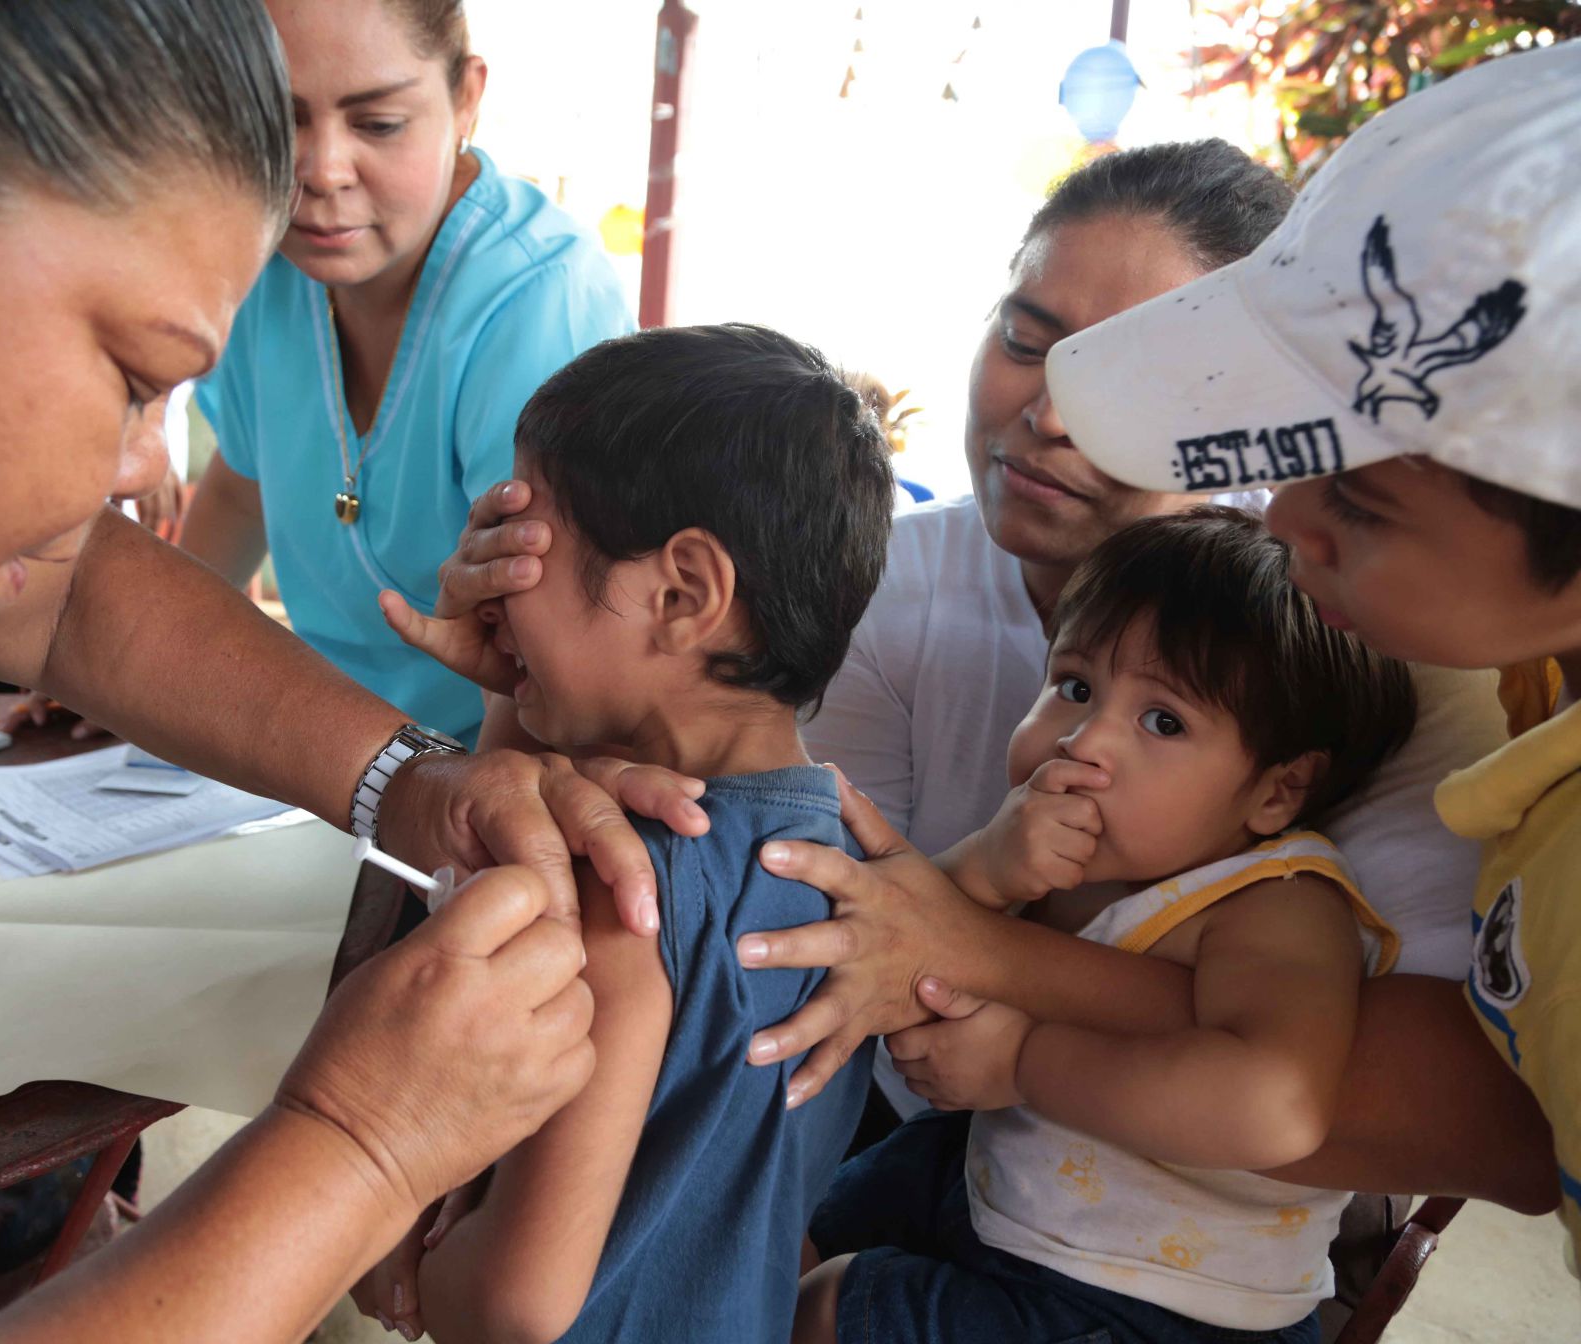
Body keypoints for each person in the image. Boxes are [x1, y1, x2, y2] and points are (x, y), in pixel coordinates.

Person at [0, 4, 705, 1339]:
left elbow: (54, 585)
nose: (132, 470)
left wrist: (408, 780)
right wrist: (359, 1146)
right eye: (128, 378)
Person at [432, 139, 1555, 1221]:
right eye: (1030, 335)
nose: (1054, 411)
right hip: (919, 1159)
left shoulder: (1357, 636)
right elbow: (813, 940)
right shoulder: (883, 585)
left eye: (1143, 377)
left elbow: (1492, 1118)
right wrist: (524, 687)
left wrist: (985, 967)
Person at [1033, 36, 1581, 1262]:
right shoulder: (1529, 677)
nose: (1284, 520)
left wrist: (1002, 1009)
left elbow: (1498, 1126)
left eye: (1367, 510)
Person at [365, 324, 894, 1344]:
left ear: (683, 594)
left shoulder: (624, 885)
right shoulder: (851, 871)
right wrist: (511, 687)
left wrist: (409, 1240)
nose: (487, 579)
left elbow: (522, 1303)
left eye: (524, 547)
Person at [797, 508, 1416, 1343]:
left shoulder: (1278, 899)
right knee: (794, 1233)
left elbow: (1275, 1105)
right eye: (1076, 686)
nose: (1084, 741)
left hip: (1159, 1306)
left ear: (1277, 791)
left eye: (1163, 722)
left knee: (833, 1308)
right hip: (996, 1179)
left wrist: (1022, 1059)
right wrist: (981, 869)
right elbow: (895, 944)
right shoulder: (1055, 850)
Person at [178, 0, 634, 746]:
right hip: (325, 749)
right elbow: (241, 485)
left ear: (466, 100)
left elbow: (546, 635)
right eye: (276, 118)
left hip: (498, 756)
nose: (322, 170)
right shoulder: (268, 262)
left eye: (378, 124)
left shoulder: (540, 299)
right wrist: (130, 675)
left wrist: (448, 806)